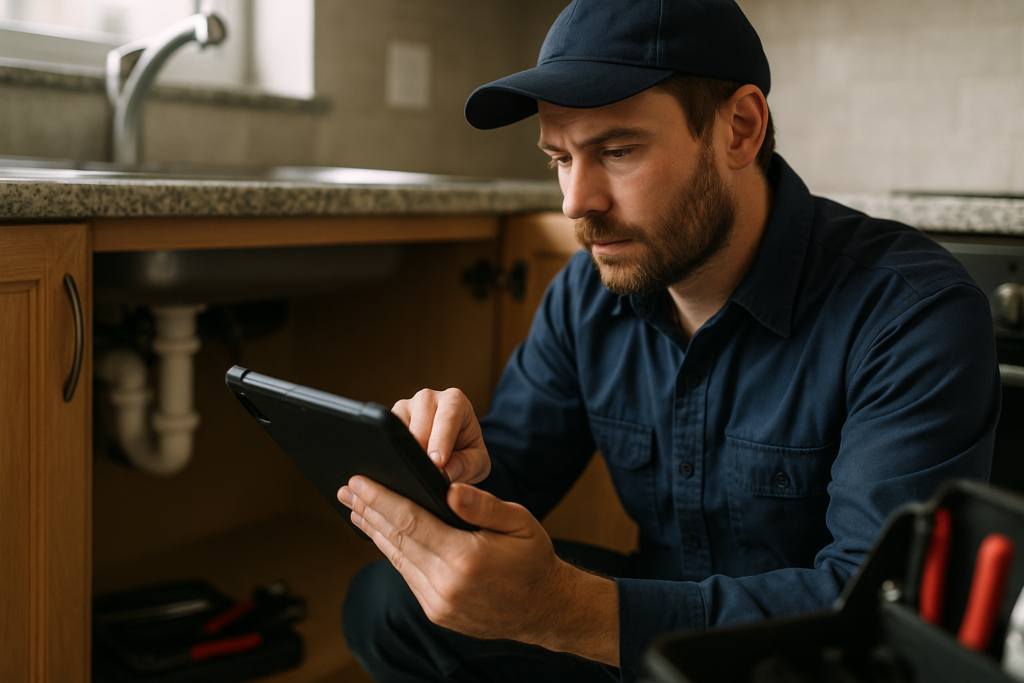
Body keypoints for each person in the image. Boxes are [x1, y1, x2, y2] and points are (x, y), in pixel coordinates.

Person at [338, 0, 1002, 681]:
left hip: (808, 663)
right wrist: (448, 468)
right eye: (559, 159)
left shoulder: (909, 313)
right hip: (640, 635)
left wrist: (564, 609)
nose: (575, 200)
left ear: (740, 129)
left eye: (617, 151)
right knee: (388, 603)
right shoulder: (584, 293)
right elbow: (512, 478)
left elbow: (874, 608)